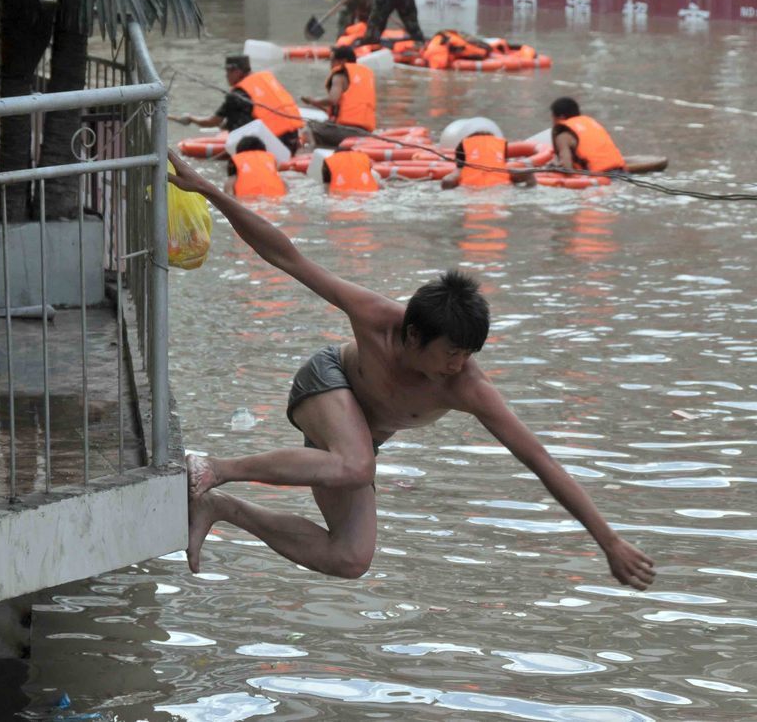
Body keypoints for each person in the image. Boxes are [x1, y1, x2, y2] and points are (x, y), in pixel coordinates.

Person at [165, 150, 656, 590]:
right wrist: (210, 190)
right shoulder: (376, 318)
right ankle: (213, 470)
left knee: (351, 557)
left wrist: (608, 540)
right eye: (450, 353)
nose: (458, 366)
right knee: (356, 463)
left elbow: (541, 461)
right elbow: (285, 256)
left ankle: (221, 508)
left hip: (359, 442)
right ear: (413, 336)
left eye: (467, 354)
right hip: (327, 384)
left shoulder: (467, 386)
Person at [178, 56, 305, 155]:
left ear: (237, 71)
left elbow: (212, 121)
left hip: (273, 146)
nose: (226, 76)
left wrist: (191, 118)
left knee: (231, 119)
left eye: (228, 72)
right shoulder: (265, 80)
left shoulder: (237, 95)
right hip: (292, 141)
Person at [301, 46, 377, 147]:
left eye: (332, 61)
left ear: (343, 61)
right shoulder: (365, 76)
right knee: (324, 125)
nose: (330, 65)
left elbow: (333, 100)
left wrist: (314, 100)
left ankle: (310, 155)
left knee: (309, 128)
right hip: (365, 132)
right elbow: (339, 109)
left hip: (345, 132)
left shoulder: (339, 76)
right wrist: (312, 103)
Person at [549, 97, 626, 174]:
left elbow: (567, 168)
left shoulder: (563, 137)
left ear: (561, 117)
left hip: (599, 178)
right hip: (621, 171)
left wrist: (554, 167)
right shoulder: (592, 123)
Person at [443, 133, 536, 190]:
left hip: (470, 191)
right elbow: (529, 174)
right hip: (501, 190)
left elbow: (447, 181)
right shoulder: (504, 168)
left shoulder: (461, 169)